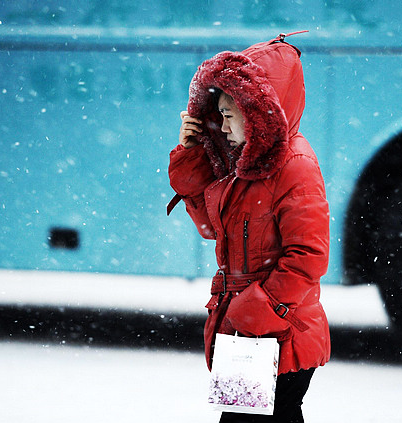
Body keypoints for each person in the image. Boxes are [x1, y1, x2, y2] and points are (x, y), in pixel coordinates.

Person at [167, 35, 331, 423]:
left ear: (255, 113)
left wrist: (259, 309)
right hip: (250, 334)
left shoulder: (294, 166)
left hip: (280, 337)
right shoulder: (245, 164)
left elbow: (308, 256)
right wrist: (193, 157)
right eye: (218, 112)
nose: (220, 125)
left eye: (228, 113)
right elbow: (212, 228)